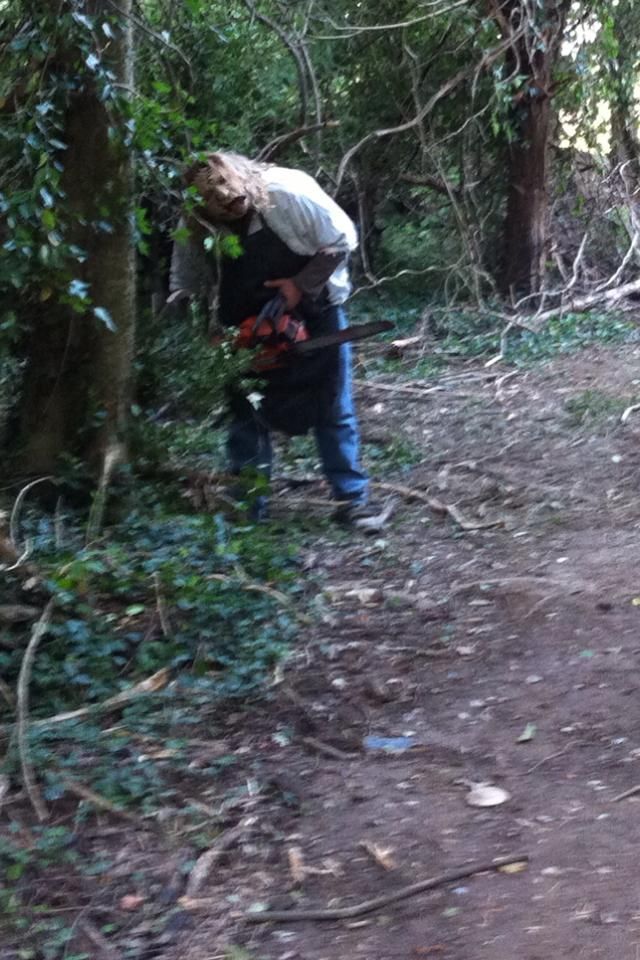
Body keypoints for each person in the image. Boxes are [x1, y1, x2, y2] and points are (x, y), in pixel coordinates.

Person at [169, 150, 385, 527]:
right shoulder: (196, 225)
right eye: (213, 200)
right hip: (244, 320)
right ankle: (248, 504)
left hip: (316, 312)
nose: (225, 201)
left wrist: (299, 286)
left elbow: (342, 237)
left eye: (227, 189)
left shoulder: (286, 193)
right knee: (246, 414)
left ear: (239, 178)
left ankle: (352, 500)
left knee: (332, 405)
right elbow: (188, 286)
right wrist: (210, 335)